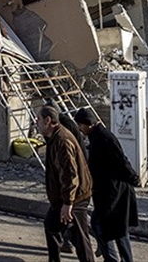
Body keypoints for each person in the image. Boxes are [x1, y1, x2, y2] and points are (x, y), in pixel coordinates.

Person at [73, 108, 138, 262]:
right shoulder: (97, 137)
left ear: (88, 124)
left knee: (101, 225)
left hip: (114, 191)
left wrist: (134, 178)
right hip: (108, 191)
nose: (80, 130)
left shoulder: (104, 138)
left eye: (81, 126)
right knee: (117, 229)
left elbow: (121, 161)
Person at [38, 106, 96, 262]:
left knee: (80, 238)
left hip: (75, 197)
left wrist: (68, 203)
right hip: (66, 197)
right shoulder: (54, 137)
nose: (36, 124)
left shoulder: (62, 141)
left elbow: (70, 175)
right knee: (52, 226)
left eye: (38, 120)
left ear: (48, 120)